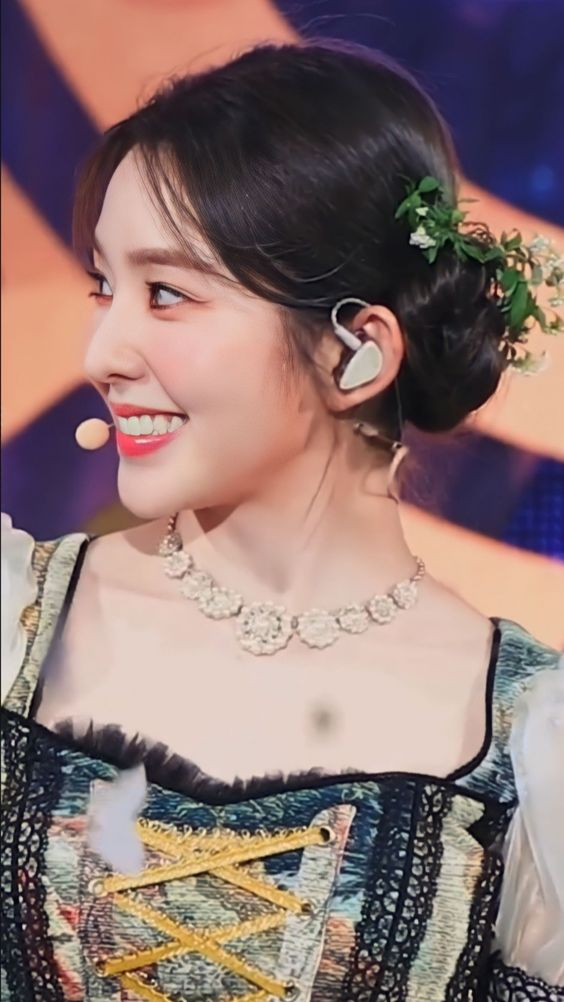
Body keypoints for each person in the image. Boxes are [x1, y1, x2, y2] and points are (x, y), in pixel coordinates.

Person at [2, 41, 563, 1002]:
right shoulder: (17, 619)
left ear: (355, 352)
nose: (102, 352)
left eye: (166, 293)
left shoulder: (529, 743)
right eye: (104, 286)